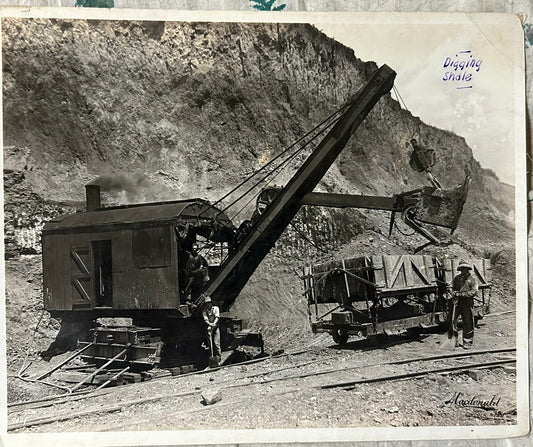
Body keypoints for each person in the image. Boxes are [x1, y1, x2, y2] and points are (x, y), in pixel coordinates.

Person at [451, 260, 479, 349]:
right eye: (461, 268)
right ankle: (453, 341)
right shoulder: (457, 278)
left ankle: (467, 342)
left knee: (468, 322)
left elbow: (474, 291)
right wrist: (451, 291)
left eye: (465, 268)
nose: (463, 270)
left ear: (468, 269)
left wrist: (461, 294)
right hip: (456, 303)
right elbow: (451, 286)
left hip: (467, 303)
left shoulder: (472, 279)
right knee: (452, 321)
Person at [202, 296, 221, 365]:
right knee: (210, 344)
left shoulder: (216, 308)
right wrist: (210, 325)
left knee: (216, 343)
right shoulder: (204, 310)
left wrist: (213, 324)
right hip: (209, 327)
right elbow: (205, 319)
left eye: (209, 303)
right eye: (207, 303)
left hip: (215, 327)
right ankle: (212, 358)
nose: (208, 304)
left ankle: (219, 358)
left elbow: (217, 317)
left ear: (211, 303)